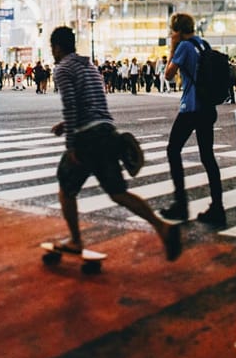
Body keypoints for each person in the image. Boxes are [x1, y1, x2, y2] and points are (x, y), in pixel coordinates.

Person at [48, 26, 182, 261]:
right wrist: (65, 124)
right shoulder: (89, 67)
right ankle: (162, 227)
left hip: (86, 137)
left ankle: (76, 241)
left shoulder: (63, 68)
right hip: (107, 132)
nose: (53, 52)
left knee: (65, 187)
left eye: (53, 48)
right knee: (118, 192)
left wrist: (71, 145)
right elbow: (93, 102)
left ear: (58, 47)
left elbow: (70, 105)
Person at [158, 12, 225, 226]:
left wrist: (172, 47)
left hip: (191, 107)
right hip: (208, 107)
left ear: (177, 30)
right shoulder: (203, 44)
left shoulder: (184, 47)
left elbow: (168, 74)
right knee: (208, 156)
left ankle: (181, 204)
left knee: (172, 149)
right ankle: (218, 207)